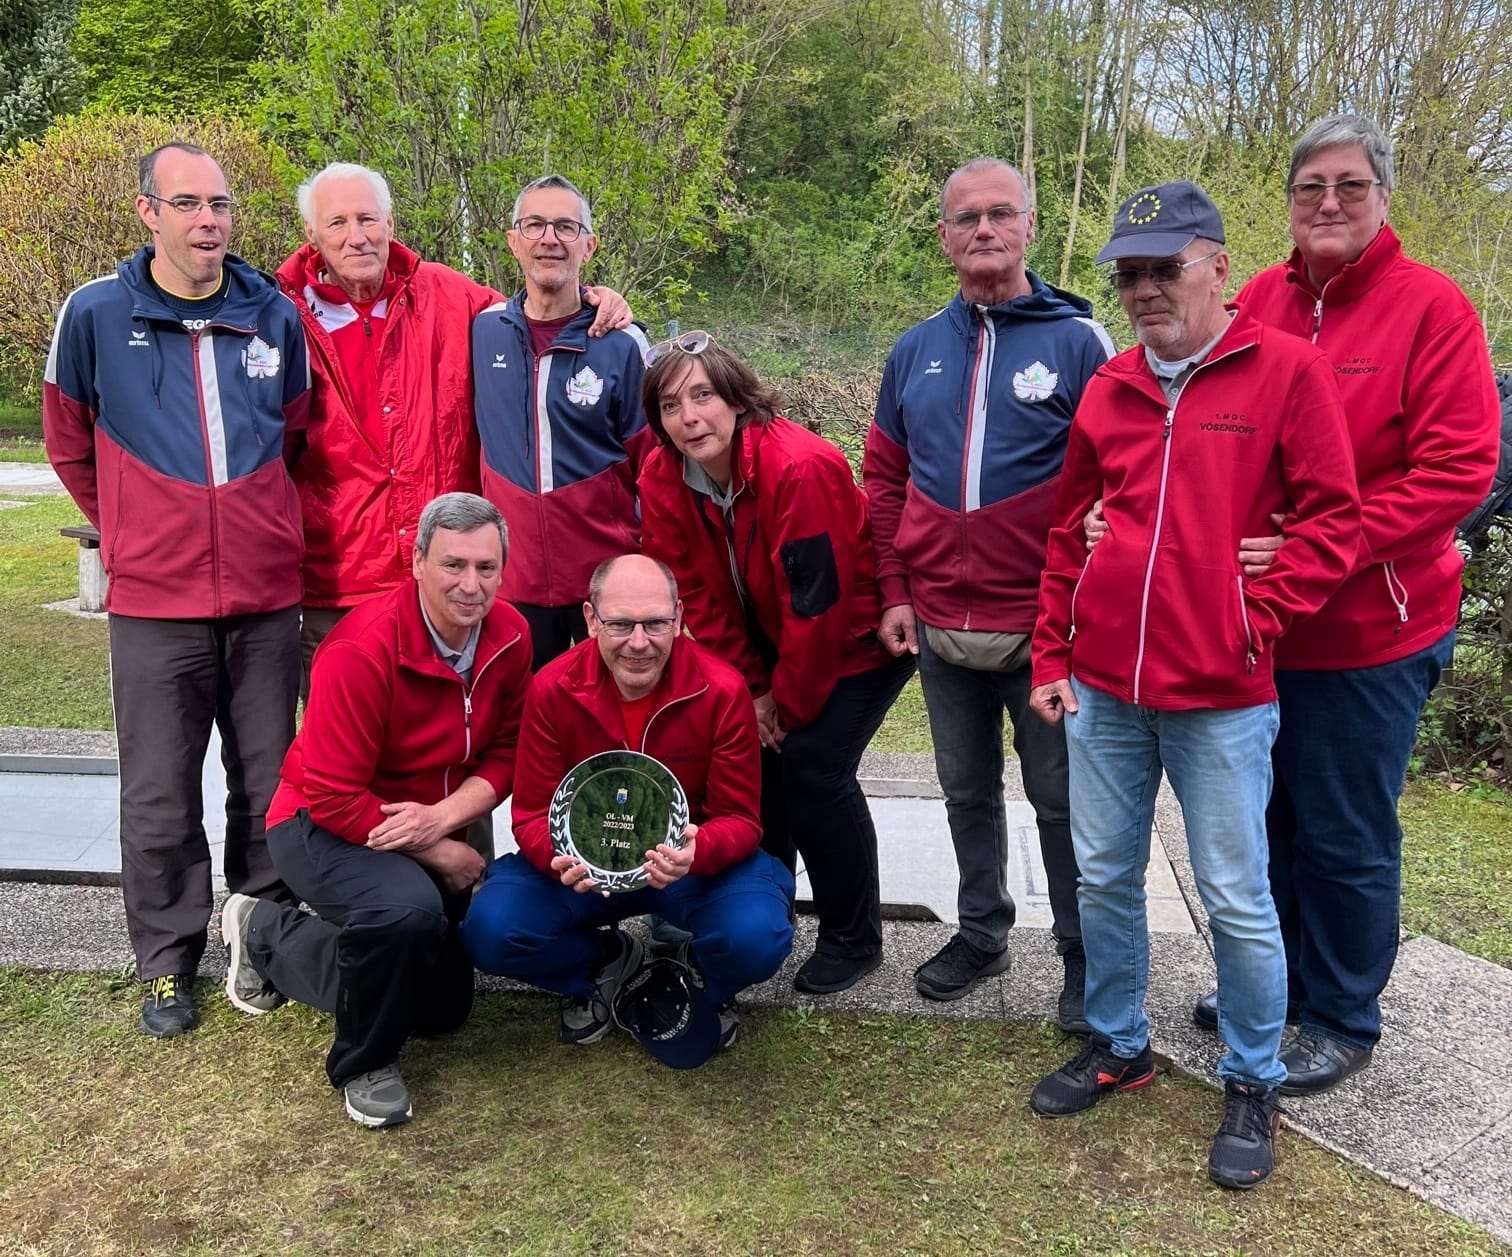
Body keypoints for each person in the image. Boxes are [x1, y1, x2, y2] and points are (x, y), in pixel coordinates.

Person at [1027, 181, 1360, 1189]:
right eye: (1128, 273)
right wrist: (1051, 654)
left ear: (1217, 263)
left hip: (1222, 697)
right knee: (1103, 877)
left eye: (1163, 267)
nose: (1143, 289)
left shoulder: (1287, 373)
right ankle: (1119, 1044)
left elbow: (1334, 524)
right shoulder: (1109, 386)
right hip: (1106, 692)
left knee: (1236, 897)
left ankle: (1252, 1077)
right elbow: (1066, 533)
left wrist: (1250, 615)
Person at [1173, 117, 1500, 1094]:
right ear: (1288, 199)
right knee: (1261, 822)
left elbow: (1458, 473)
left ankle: (1342, 1013)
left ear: (1382, 198)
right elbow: (1210, 432)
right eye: (1311, 185)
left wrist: (1324, 544)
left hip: (1373, 631)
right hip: (1259, 628)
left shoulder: (1433, 311)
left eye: (1350, 186)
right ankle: (1271, 986)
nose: (1328, 203)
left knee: (1342, 830)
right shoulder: (1258, 301)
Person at [43, 142, 309, 1039]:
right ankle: (166, 963)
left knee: (271, 784)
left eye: (221, 204)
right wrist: (134, 528)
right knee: (158, 792)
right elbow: (69, 440)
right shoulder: (93, 313)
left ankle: (264, 940)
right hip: (155, 604)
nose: (209, 221)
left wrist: (255, 527)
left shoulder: (272, 316)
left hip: (268, 597)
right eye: (188, 203)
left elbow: (296, 435)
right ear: (146, 212)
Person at [863, 156, 1114, 1024]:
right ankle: (982, 930)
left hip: (1043, 628)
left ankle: (1084, 955)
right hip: (938, 623)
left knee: (1058, 798)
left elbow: (1117, 480)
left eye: (1000, 214)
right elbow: (884, 478)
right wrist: (894, 587)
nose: (983, 230)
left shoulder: (1081, 343)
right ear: (944, 237)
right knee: (965, 789)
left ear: (1030, 227)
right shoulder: (915, 350)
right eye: (966, 218)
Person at [218, 493, 532, 1128]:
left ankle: (263, 932)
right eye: (453, 565)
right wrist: (437, 847)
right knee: (405, 914)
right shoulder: (361, 647)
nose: (471, 586)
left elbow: (507, 749)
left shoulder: (511, 636)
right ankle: (365, 1062)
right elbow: (334, 793)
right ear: (416, 561)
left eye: (487, 568)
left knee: (440, 1012)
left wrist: (443, 818)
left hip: (423, 818)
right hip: (319, 820)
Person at [276, 163, 631, 688]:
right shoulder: (279, 317)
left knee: (458, 735)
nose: (357, 237)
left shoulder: (449, 295)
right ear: (311, 235)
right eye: (337, 223)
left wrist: (603, 303)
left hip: (451, 584)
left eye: (368, 219)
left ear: (391, 223)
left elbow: (537, 315)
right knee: (348, 742)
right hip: (338, 583)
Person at [637, 332, 914, 993]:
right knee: (751, 765)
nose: (690, 417)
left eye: (703, 396)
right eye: (672, 405)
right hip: (766, 645)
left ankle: (854, 936)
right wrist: (752, 693)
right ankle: (762, 909)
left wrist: (784, 707)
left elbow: (816, 609)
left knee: (813, 766)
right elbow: (695, 597)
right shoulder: (661, 474)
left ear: (736, 397)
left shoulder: (800, 466)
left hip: (852, 639)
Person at [461, 555, 795, 1068]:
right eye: (619, 623)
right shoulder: (551, 688)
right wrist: (560, 856)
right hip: (587, 874)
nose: (639, 642)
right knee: (492, 928)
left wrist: (697, 850)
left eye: (656, 623)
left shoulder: (721, 689)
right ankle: (605, 964)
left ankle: (702, 977)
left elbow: (741, 820)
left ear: (679, 618)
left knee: (756, 934)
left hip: (684, 869)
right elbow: (529, 811)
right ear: (591, 619)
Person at [473, 175, 654, 670]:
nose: (549, 239)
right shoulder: (481, 330)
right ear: (513, 241)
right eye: (535, 225)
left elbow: (655, 470)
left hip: (606, 583)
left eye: (566, 227)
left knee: (610, 731)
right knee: (526, 730)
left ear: (588, 245)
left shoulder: (620, 343)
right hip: (515, 580)